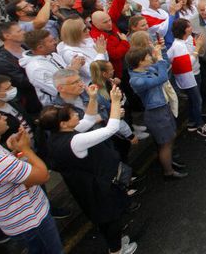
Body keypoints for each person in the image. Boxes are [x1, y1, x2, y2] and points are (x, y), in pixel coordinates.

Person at [39, 84, 138, 254]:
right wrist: (115, 102)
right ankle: (116, 249)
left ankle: (115, 244)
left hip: (87, 187)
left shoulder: (58, 136)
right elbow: (111, 128)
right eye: (72, 114)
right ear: (63, 123)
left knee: (105, 218)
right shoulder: (74, 140)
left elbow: (89, 119)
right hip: (98, 188)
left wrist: (92, 98)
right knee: (110, 217)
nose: (77, 114)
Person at [0, 109, 60, 254]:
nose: (4, 117)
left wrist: (14, 152)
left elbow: (4, 175)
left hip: (15, 222)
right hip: (32, 221)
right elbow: (43, 176)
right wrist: (26, 149)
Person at [127, 45, 186, 180]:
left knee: (169, 139)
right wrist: (158, 58)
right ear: (140, 61)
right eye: (148, 56)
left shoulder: (146, 69)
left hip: (163, 108)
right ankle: (168, 172)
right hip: (156, 113)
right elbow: (162, 78)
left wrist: (162, 52)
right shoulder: (137, 80)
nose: (150, 57)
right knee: (165, 143)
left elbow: (165, 67)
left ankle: (169, 163)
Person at [167, 18, 206, 137]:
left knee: (194, 100)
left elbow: (198, 54)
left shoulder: (190, 38)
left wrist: (199, 47)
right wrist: (197, 48)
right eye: (189, 26)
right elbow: (187, 63)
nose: (191, 27)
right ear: (184, 30)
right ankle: (200, 125)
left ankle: (192, 122)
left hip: (196, 72)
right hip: (189, 78)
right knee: (197, 101)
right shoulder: (178, 46)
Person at [0, 21, 43, 116]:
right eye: (19, 31)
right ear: (7, 36)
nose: (23, 32)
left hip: (41, 94)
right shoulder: (2, 61)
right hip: (31, 103)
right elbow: (22, 82)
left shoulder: (25, 46)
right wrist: (44, 77)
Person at [19, 29, 84, 106]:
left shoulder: (52, 54)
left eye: (53, 39)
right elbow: (59, 89)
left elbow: (63, 72)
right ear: (40, 47)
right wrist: (74, 69)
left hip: (78, 96)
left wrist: (73, 64)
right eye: (51, 41)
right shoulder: (36, 69)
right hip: (64, 106)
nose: (55, 42)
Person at [57, 18, 109, 84]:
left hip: (103, 78)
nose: (88, 30)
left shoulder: (86, 40)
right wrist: (101, 53)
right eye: (84, 30)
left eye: (86, 28)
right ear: (75, 34)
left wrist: (103, 51)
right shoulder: (70, 53)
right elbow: (90, 72)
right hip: (93, 85)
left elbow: (105, 61)